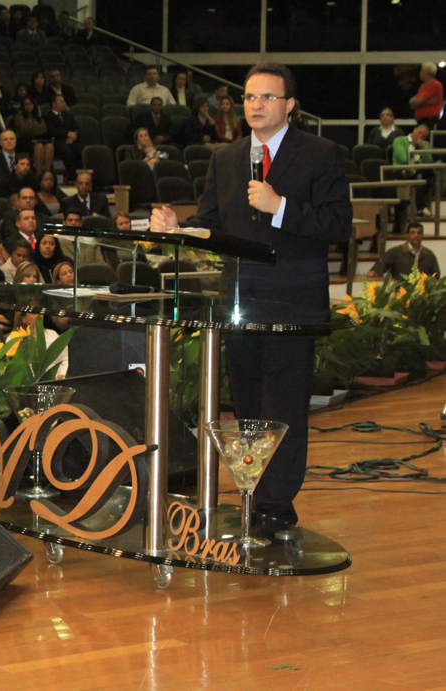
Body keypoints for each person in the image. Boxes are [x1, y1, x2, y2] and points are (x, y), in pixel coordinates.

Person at [150, 62, 352, 528]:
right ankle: (251, 496)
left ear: (290, 105)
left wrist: (279, 206)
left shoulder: (321, 154)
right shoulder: (226, 158)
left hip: (293, 303)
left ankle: (277, 506)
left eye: (266, 97)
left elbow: (337, 225)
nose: (255, 105)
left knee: (283, 406)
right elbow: (212, 225)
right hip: (239, 301)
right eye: (248, 97)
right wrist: (179, 230)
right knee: (247, 404)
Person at [368, 222, 440, 279]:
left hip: (423, 295)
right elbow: (378, 267)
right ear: (407, 235)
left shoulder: (429, 255)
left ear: (422, 235)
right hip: (401, 294)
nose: (416, 235)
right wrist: (374, 271)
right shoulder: (395, 252)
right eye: (412, 233)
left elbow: (436, 276)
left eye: (419, 233)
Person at [410, 62, 443, 130]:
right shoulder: (422, 86)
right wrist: (427, 102)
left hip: (429, 121)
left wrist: (420, 102)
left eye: (421, 71)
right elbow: (412, 104)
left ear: (426, 72)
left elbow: (418, 101)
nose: (420, 73)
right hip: (421, 121)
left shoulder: (435, 85)